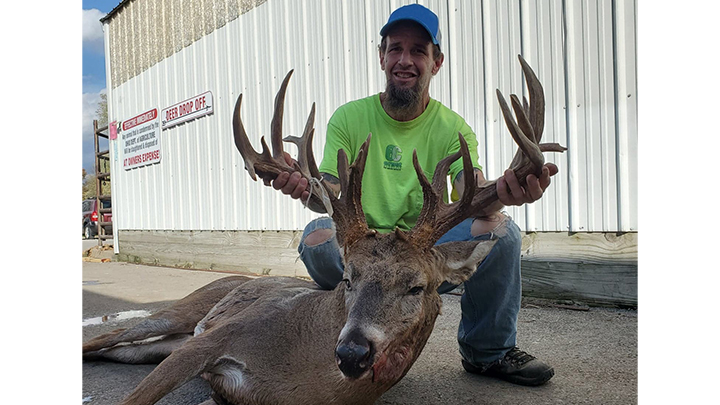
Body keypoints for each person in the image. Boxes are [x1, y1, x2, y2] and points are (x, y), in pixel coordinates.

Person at [272, 4, 558, 386]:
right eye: (395, 48)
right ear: (381, 57)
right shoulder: (348, 118)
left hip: (421, 256)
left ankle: (488, 353)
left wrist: (503, 194)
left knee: (503, 234)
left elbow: (467, 186)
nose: (404, 60)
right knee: (316, 238)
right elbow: (330, 187)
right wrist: (306, 188)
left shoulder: (452, 128)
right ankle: (354, 327)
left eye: (418, 51)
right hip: (363, 246)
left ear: (436, 62)